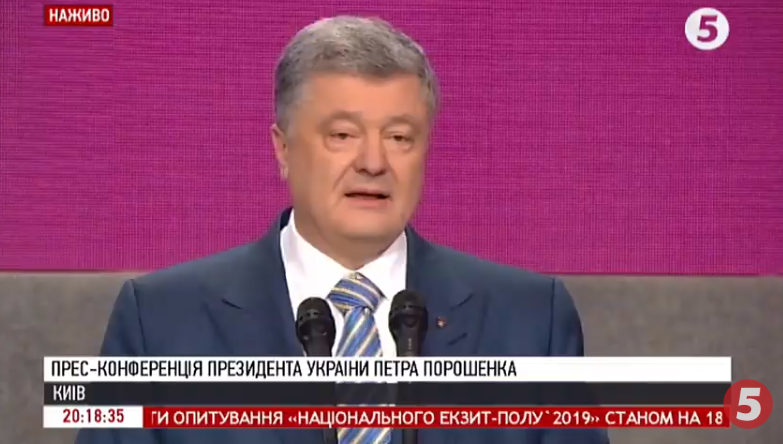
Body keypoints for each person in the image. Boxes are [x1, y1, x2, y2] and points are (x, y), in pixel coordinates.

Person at [77, 16, 608, 444]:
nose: (373, 162)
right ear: (283, 148)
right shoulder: (161, 322)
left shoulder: (531, 322)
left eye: (399, 137)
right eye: (342, 135)